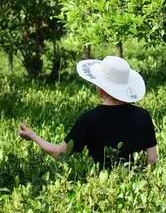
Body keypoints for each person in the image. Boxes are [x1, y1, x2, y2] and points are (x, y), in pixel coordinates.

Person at [18, 56, 158, 168]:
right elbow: (152, 159)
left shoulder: (89, 119)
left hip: (100, 190)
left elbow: (60, 154)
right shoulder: (143, 116)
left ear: (101, 89)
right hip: (137, 188)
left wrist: (32, 135)